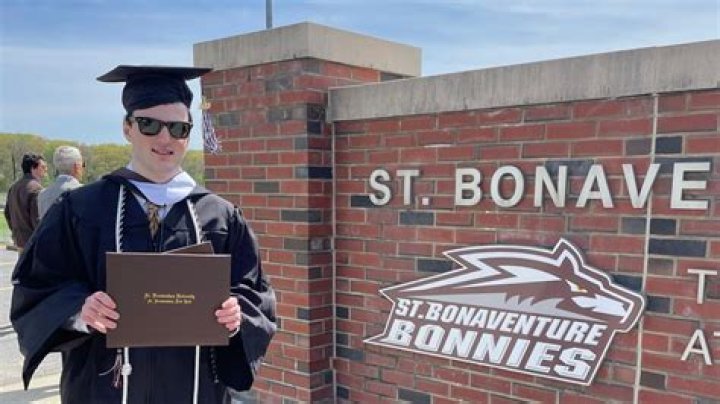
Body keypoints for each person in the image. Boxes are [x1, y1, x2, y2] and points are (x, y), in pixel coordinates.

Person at [11, 65, 277, 403]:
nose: (165, 139)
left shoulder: (220, 215)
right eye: (149, 124)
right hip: (101, 390)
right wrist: (78, 309)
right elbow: (36, 285)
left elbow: (255, 293)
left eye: (178, 128)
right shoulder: (81, 209)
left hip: (194, 390)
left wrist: (237, 313)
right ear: (127, 128)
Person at [4, 153, 48, 251]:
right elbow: (37, 219)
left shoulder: (14, 187)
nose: (46, 169)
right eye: (43, 167)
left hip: (19, 241)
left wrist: (16, 233)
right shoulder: (36, 188)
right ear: (33, 168)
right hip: (33, 244)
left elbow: (7, 214)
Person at [38, 145, 85, 218]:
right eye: (83, 165)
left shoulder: (42, 195)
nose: (83, 168)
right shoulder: (84, 192)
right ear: (77, 166)